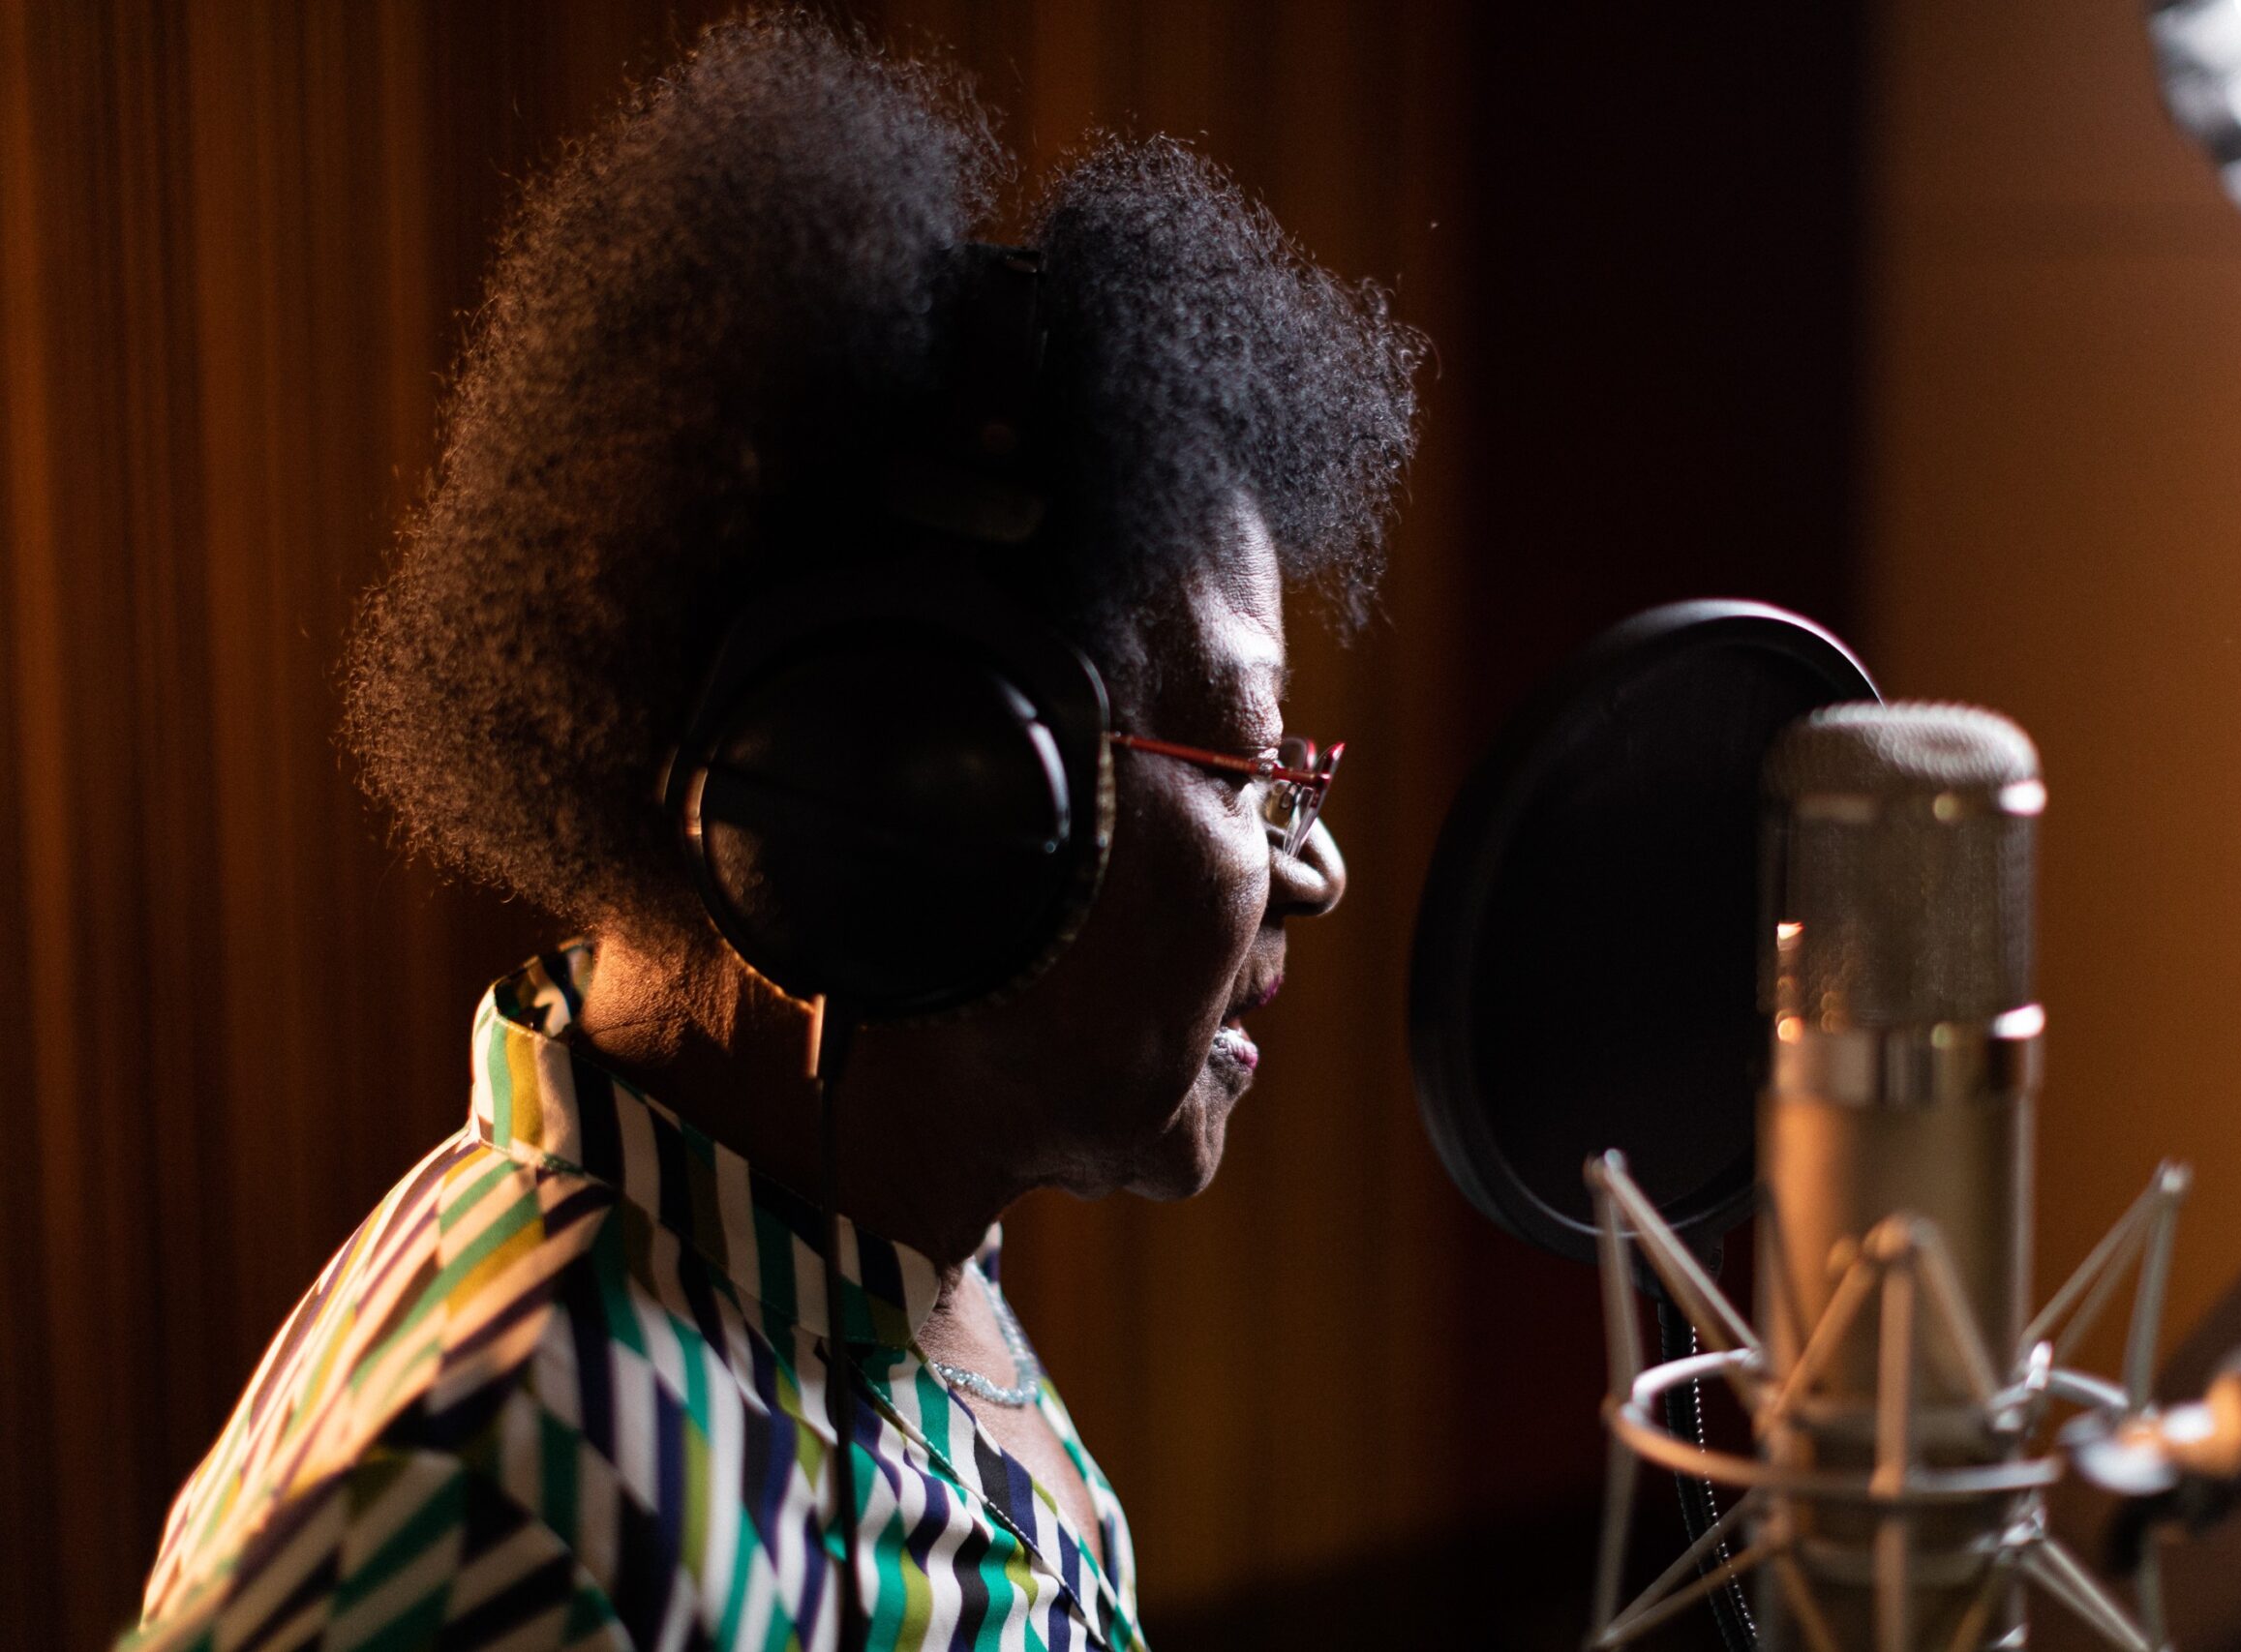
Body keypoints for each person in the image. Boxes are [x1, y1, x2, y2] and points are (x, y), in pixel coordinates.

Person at [123, 15, 1418, 1652]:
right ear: (926, 786)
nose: (1315, 865)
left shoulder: (873, 1251)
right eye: (1246, 764)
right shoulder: (491, 1514)